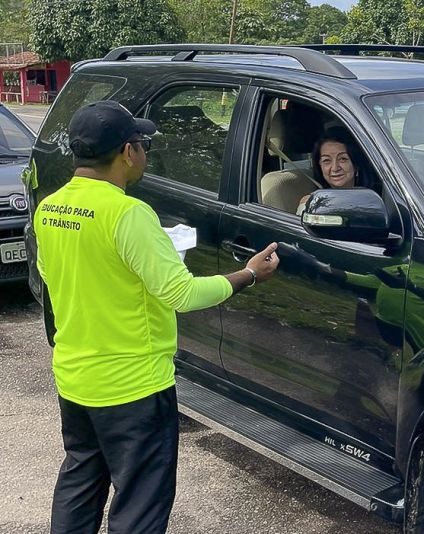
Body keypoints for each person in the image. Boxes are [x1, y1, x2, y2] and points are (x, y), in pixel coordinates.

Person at [34, 100, 280, 534]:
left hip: (75, 379)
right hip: (134, 387)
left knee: (80, 482)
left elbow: (56, 281)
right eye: (143, 144)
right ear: (128, 152)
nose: (145, 154)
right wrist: (248, 275)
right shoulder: (128, 214)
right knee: (139, 505)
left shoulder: (50, 209)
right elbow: (181, 294)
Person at [296, 126, 375, 214]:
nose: (335, 168)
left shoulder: (374, 199)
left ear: (356, 164)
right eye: (327, 160)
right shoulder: (311, 204)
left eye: (343, 159)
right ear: (320, 166)